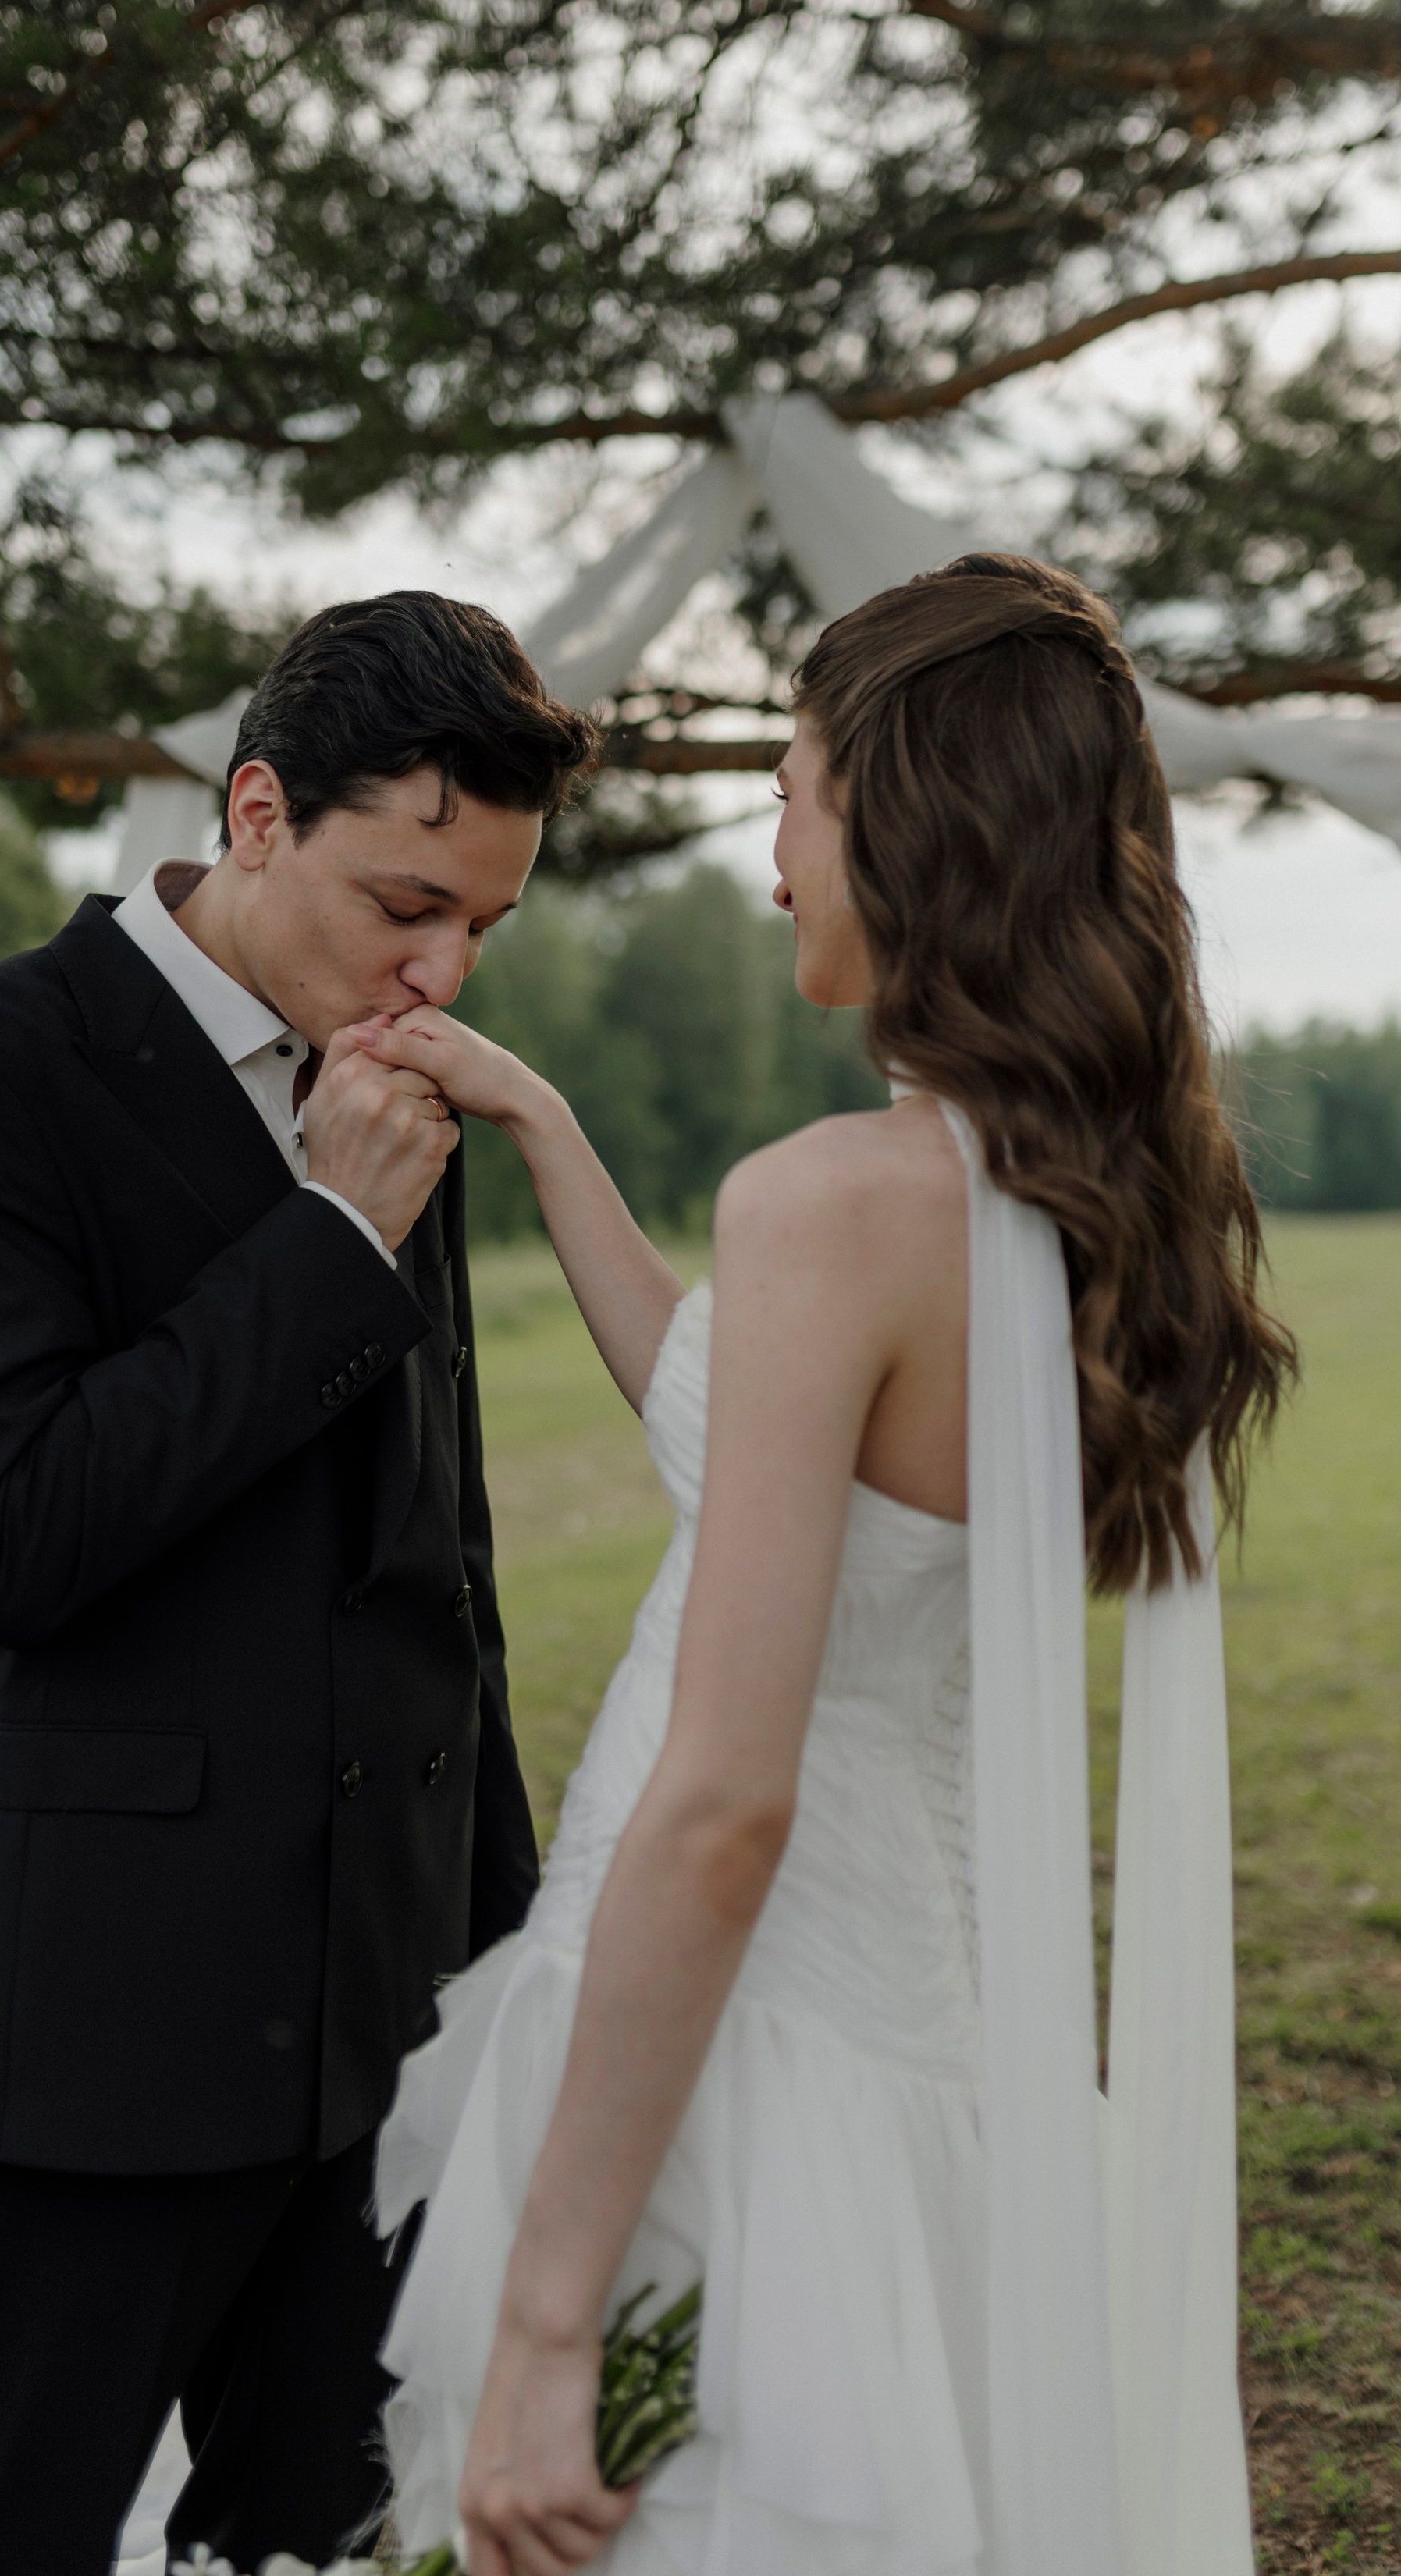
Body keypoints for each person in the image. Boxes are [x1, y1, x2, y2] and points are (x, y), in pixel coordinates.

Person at [361, 556, 1296, 2576]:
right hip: (937, 2043)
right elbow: (744, 1432)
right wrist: (540, 1122)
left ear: (904, 812)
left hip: (739, 2054)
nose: (776, 852)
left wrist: (546, 2320)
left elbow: (724, 1806)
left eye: (793, 787)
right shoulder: (1066, 1203)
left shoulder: (831, 1211)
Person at [0, 594, 596, 2576]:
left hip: (381, 2021)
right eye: (407, 900)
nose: (441, 966)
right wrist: (324, 1231)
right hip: (74, 2027)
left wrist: (493, 1957)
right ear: (251, 811)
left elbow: (436, 1566)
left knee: (324, 2559)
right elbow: (5, 1546)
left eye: (484, 921)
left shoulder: (400, 1077)